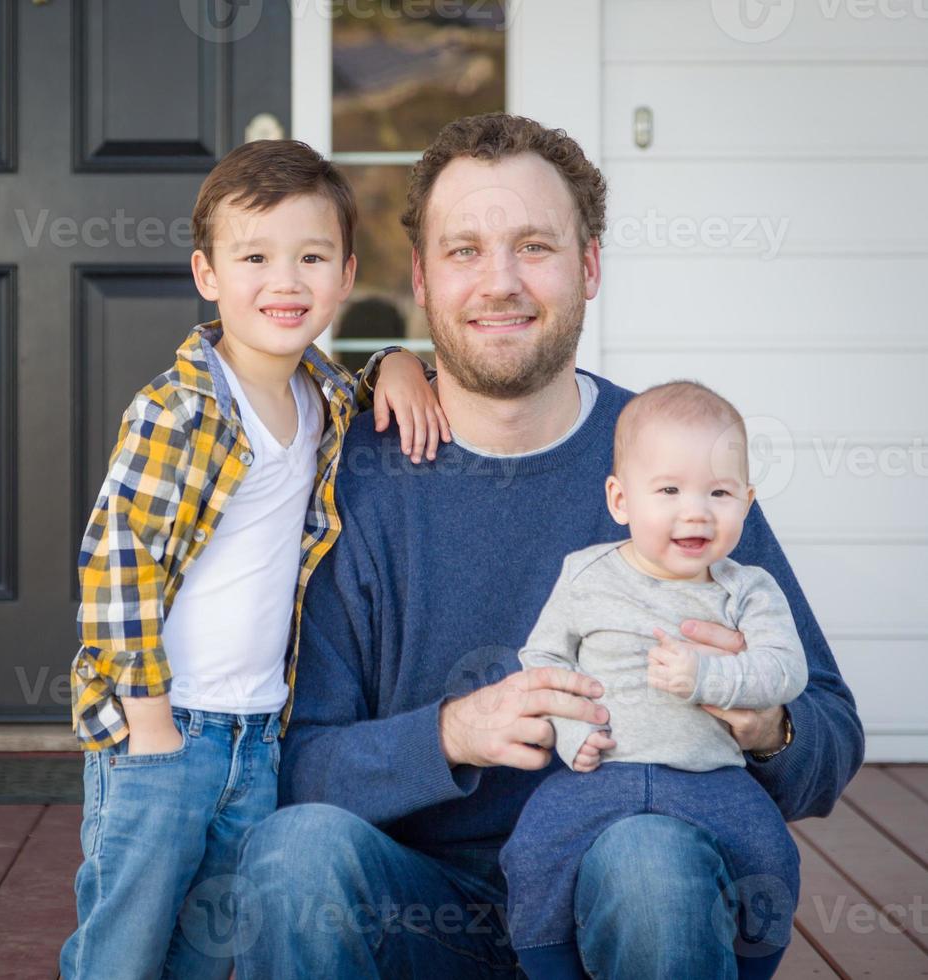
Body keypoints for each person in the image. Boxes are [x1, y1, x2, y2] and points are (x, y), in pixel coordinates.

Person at [233, 113, 863, 980]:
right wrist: (453, 732)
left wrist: (764, 724)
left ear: (589, 265)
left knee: (646, 860)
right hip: (422, 907)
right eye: (464, 252)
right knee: (294, 854)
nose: (500, 283)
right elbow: (296, 767)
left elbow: (829, 737)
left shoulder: (675, 466)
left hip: (622, 899)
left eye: (533, 246)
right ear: (419, 277)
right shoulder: (357, 480)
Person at [59, 139, 449, 980]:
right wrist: (151, 721)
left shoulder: (324, 400)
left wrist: (401, 363)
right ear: (207, 274)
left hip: (259, 734)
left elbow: (368, 379)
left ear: (346, 277)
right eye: (255, 258)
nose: (286, 282)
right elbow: (115, 562)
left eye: (311, 258)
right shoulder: (181, 408)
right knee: (123, 947)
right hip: (162, 729)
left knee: (210, 947)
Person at [501, 380, 809, 976]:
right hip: (602, 770)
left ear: (746, 503)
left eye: (719, 492)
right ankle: (547, 964)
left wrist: (708, 676)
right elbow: (543, 660)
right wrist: (569, 733)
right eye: (668, 489)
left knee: (772, 853)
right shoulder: (585, 574)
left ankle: (753, 961)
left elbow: (785, 669)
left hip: (711, 775)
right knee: (533, 851)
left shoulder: (748, 589)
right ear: (620, 500)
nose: (695, 510)